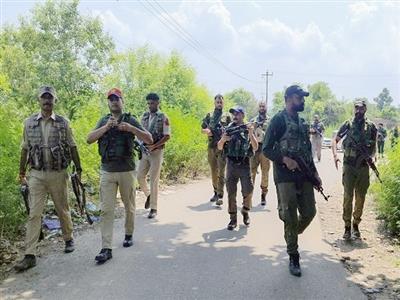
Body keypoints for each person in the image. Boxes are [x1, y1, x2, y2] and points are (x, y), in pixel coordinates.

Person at [15, 86, 82, 272]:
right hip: (36, 174)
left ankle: (68, 239)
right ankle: (30, 255)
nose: (47, 101)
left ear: (55, 101)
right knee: (34, 213)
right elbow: (25, 149)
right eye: (44, 98)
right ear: (39, 100)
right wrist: (21, 173)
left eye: (50, 98)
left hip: (58, 173)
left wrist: (79, 168)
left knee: (63, 209)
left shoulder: (63, 122)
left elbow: (72, 146)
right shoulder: (29, 123)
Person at [87, 88, 152, 264]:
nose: (114, 102)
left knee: (129, 205)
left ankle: (128, 234)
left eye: (117, 99)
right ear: (108, 103)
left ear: (122, 101)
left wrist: (131, 129)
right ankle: (106, 248)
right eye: (111, 99)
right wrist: (105, 128)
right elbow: (89, 139)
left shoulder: (130, 119)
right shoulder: (103, 120)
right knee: (106, 209)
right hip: (107, 171)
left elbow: (149, 139)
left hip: (126, 170)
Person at [263, 85, 320, 277]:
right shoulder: (278, 120)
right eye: (299, 97)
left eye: (303, 98)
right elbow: (266, 149)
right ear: (288, 98)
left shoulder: (303, 123)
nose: (302, 100)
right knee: (289, 214)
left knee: (310, 212)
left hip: (303, 174)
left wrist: (315, 174)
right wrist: (284, 159)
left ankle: (292, 232)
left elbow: (307, 152)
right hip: (285, 176)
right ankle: (293, 255)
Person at [332, 99, 377, 240]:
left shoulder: (371, 127)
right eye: (356, 108)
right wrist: (335, 155)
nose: (359, 111)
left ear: (365, 109)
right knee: (348, 196)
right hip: (349, 165)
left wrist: (373, 158)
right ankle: (346, 227)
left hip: (363, 167)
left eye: (361, 108)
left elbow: (374, 146)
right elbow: (335, 140)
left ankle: (356, 224)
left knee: (361, 197)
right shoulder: (348, 124)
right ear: (354, 109)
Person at [217, 106, 258, 230]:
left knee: (248, 190)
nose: (235, 116)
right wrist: (223, 140)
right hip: (231, 164)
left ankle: (245, 210)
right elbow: (219, 147)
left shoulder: (248, 128)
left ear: (243, 115)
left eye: (238, 113)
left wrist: (251, 133)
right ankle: (233, 219)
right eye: (234, 113)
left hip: (245, 164)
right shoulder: (228, 129)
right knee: (231, 193)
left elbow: (255, 147)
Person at [137, 93, 171, 219]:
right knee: (140, 176)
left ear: (158, 103)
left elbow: (167, 136)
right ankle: (149, 195)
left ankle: (153, 208)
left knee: (154, 179)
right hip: (145, 151)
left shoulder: (163, 117)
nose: (150, 105)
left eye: (152, 103)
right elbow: (140, 132)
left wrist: (155, 145)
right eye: (148, 103)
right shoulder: (144, 116)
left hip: (156, 151)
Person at [201, 94, 231, 206]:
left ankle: (220, 195)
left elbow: (232, 128)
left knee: (221, 171)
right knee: (214, 171)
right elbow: (202, 128)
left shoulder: (227, 116)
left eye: (221, 102)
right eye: (217, 102)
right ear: (214, 103)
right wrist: (206, 131)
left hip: (223, 147)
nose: (219, 103)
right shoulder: (209, 115)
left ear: (223, 103)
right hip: (211, 146)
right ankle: (215, 191)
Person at [250, 102, 271, 205]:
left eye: (263, 106)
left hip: (265, 150)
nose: (262, 108)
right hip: (254, 149)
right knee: (251, 173)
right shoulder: (253, 120)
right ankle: (248, 197)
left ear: (266, 108)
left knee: (265, 174)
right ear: (258, 108)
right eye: (260, 106)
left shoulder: (270, 121)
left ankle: (263, 195)